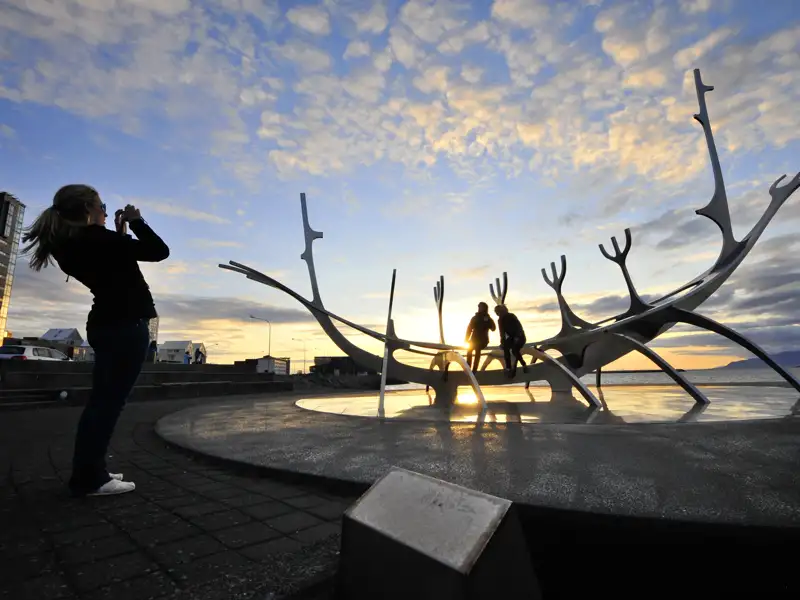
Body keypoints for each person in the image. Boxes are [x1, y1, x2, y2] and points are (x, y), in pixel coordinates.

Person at [22, 184, 169, 497]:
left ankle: (91, 468)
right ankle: (90, 477)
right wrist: (138, 222)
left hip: (106, 323)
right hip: (125, 326)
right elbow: (159, 252)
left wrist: (119, 233)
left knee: (102, 402)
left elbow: (113, 262)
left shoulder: (70, 244)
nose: (106, 210)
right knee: (107, 404)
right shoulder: (100, 240)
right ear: (88, 210)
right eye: (102, 206)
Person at [494, 305, 528, 378]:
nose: (499, 313)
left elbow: (519, 327)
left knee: (514, 350)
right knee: (506, 349)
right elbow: (502, 333)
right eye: (497, 312)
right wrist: (502, 342)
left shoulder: (511, 316)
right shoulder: (500, 320)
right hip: (511, 338)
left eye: (500, 311)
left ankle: (523, 364)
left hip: (520, 337)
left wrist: (517, 337)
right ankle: (508, 368)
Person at [464, 302, 496, 371]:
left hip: (483, 340)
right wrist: (466, 339)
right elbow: (469, 328)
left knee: (477, 350)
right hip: (474, 339)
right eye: (478, 307)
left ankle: (474, 370)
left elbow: (493, 328)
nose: (479, 308)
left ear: (484, 308)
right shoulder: (475, 318)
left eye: (480, 307)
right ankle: (468, 368)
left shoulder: (488, 318)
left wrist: (488, 322)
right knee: (469, 350)